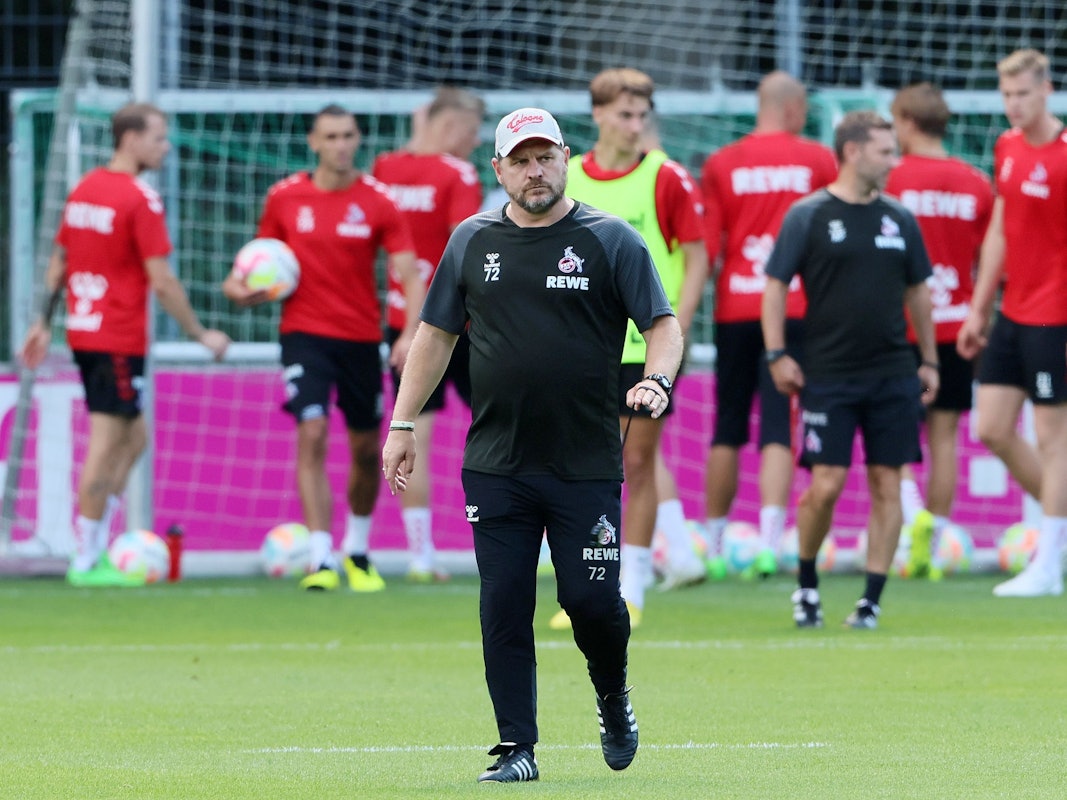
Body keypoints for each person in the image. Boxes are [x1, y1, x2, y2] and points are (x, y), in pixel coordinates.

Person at [382, 108, 683, 782]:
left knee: (590, 604)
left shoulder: (610, 240)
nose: (534, 171)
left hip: (584, 463)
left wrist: (657, 380)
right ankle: (517, 747)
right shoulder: (470, 240)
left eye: (545, 157)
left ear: (565, 158)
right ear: (499, 170)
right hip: (496, 464)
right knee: (504, 604)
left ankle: (613, 696)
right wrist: (402, 423)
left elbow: (662, 325)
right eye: (520, 161)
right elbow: (435, 336)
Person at [19, 102, 231, 587]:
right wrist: (201, 334)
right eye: (158, 137)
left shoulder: (85, 188)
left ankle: (96, 545)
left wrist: (43, 321)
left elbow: (60, 261)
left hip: (85, 329)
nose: (166, 147)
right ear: (130, 139)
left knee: (134, 438)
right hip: (116, 335)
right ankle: (86, 558)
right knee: (108, 439)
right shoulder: (140, 198)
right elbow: (163, 281)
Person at [222, 104, 422, 593]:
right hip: (303, 336)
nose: (341, 145)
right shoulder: (285, 198)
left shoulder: (378, 200)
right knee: (311, 432)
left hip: (361, 339)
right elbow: (254, 264)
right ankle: (320, 558)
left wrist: (409, 333)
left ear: (358, 140)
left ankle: (357, 551)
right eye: (331, 136)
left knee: (365, 450)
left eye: (348, 135)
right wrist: (237, 289)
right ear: (313, 142)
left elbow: (411, 274)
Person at [762, 110, 938, 630]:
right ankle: (807, 586)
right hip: (828, 375)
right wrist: (776, 354)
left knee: (887, 484)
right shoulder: (808, 215)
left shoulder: (900, 218)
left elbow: (919, 293)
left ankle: (870, 603)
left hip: (893, 374)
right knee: (826, 485)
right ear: (853, 152)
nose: (894, 160)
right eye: (885, 151)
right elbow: (775, 287)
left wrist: (929, 359)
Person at [561, 67, 707, 625]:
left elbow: (696, 258)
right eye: (624, 114)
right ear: (597, 114)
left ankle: (633, 587)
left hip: (644, 349)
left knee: (638, 462)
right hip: (579, 349)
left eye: (642, 115)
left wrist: (675, 329)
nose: (634, 125)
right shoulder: (570, 176)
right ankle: (584, 585)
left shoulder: (666, 177)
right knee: (577, 467)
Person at [700, 71, 838, 579]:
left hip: (736, 306)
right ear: (794, 108)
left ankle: (714, 546)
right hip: (796, 307)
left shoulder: (722, 163)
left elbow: (709, 246)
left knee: (727, 426)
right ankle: (771, 543)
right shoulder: (817, 160)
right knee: (780, 424)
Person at [957, 49, 1067, 598]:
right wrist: (979, 306)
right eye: (1006, 95)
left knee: (1053, 438)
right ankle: (1057, 535)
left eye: (1023, 93)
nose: (1014, 104)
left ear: (1047, 90)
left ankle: (1048, 565)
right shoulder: (1007, 146)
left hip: (1057, 314)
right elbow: (1000, 228)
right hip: (1013, 311)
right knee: (992, 428)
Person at [372, 87, 486, 582]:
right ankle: (543, 544)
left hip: (404, 322)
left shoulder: (384, 169)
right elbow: (469, 244)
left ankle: (421, 556)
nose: (475, 142)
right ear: (452, 126)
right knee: (513, 424)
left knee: (412, 429)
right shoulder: (458, 174)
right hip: (464, 322)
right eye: (473, 131)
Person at [885, 82, 993, 578]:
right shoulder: (975, 183)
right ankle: (937, 539)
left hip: (902, 326)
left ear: (907, 122)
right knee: (944, 436)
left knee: (896, 435)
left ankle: (912, 524)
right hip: (957, 324)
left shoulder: (891, 178)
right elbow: (989, 258)